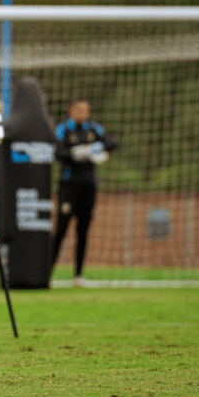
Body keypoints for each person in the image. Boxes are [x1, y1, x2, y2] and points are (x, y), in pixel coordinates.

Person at [51, 96, 118, 287]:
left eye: (85, 110)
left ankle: (78, 275)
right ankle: (47, 273)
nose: (83, 113)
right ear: (70, 110)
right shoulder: (63, 129)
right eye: (79, 109)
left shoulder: (94, 128)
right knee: (61, 230)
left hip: (88, 185)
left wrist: (96, 148)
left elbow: (112, 142)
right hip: (68, 184)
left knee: (83, 230)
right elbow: (56, 151)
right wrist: (75, 153)